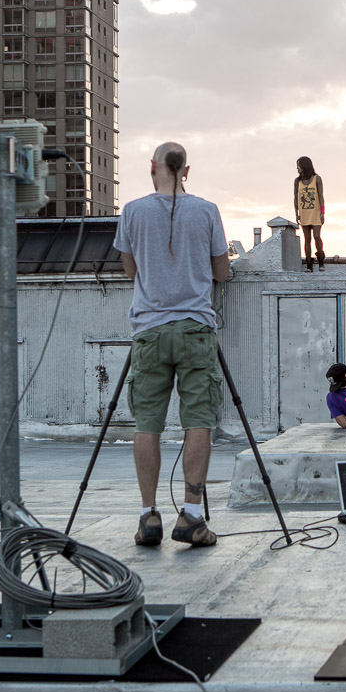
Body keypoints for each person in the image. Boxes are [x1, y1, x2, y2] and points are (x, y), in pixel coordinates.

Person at [113, 142, 231, 548]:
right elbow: (221, 271)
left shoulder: (131, 211)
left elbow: (130, 269)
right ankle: (192, 516)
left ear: (153, 167)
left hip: (148, 330)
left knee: (147, 424)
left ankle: (149, 517)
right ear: (186, 171)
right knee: (198, 420)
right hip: (196, 328)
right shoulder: (207, 210)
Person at [294, 156, 325, 272]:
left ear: (305, 166)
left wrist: (322, 213)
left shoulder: (317, 179)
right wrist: (296, 213)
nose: (297, 168)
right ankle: (308, 264)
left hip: (315, 212)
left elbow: (321, 196)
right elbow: (295, 197)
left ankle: (321, 259)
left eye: (299, 166)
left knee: (317, 236)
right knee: (307, 238)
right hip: (304, 212)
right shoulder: (297, 181)